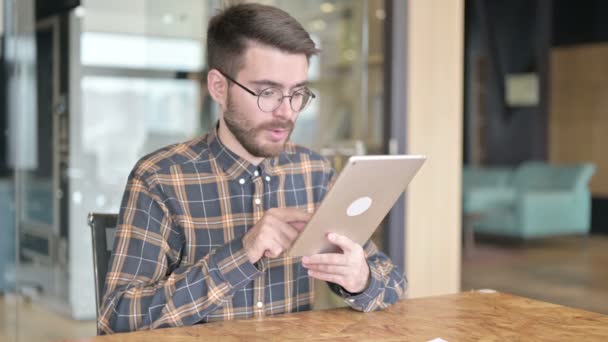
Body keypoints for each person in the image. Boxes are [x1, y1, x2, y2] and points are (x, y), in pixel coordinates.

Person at [98, 3, 405, 334]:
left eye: (297, 93)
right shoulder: (160, 178)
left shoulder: (314, 172)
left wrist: (360, 278)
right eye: (267, 92)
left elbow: (393, 284)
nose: (286, 112)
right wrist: (242, 254)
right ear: (218, 86)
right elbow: (118, 319)